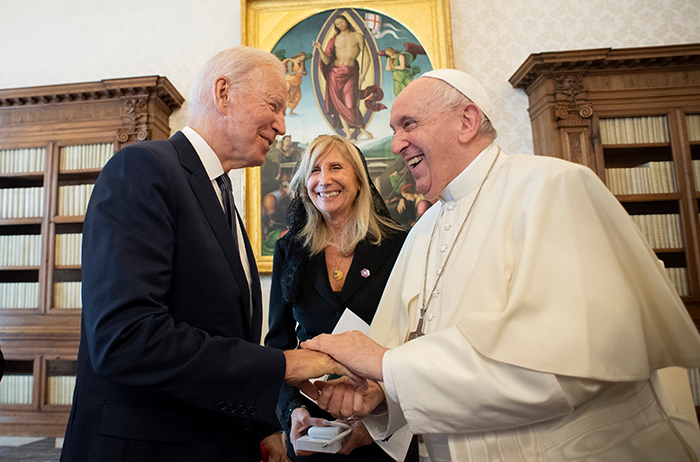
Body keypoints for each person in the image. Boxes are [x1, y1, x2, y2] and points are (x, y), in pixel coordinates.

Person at [301, 69, 700, 461]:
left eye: (409, 124)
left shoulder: (552, 187)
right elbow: (411, 357)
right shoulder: (424, 229)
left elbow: (564, 368)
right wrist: (383, 394)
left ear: (467, 121)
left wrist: (389, 365)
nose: (396, 144)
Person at [59, 46, 361, 462]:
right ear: (223, 93)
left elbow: (224, 335)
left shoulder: (221, 196)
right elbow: (125, 338)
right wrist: (285, 365)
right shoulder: (144, 169)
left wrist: (262, 427)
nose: (282, 125)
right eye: (274, 105)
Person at [265, 134, 416, 461]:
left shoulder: (401, 245)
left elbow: (416, 336)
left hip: (384, 421)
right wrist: (292, 411)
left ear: (359, 181)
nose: (324, 179)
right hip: (313, 428)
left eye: (336, 167)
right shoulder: (289, 250)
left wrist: (378, 415)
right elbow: (278, 343)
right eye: (314, 170)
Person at [313, 15, 384, 140]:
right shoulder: (334, 39)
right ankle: (348, 133)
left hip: (350, 73)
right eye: (338, 24)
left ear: (346, 22)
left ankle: (362, 129)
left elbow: (366, 57)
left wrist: (363, 75)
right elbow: (326, 60)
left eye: (342, 22)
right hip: (334, 74)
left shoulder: (357, 36)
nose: (340, 25)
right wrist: (319, 49)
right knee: (338, 104)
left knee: (350, 103)